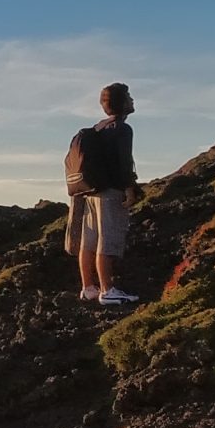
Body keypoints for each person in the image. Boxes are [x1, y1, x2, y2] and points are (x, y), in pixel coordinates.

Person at [65, 83, 139, 305]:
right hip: (110, 192)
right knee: (107, 241)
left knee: (89, 241)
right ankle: (107, 290)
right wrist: (129, 188)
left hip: (90, 192)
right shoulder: (123, 129)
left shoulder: (97, 128)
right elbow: (123, 163)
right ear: (122, 102)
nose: (132, 100)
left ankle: (88, 288)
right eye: (129, 97)